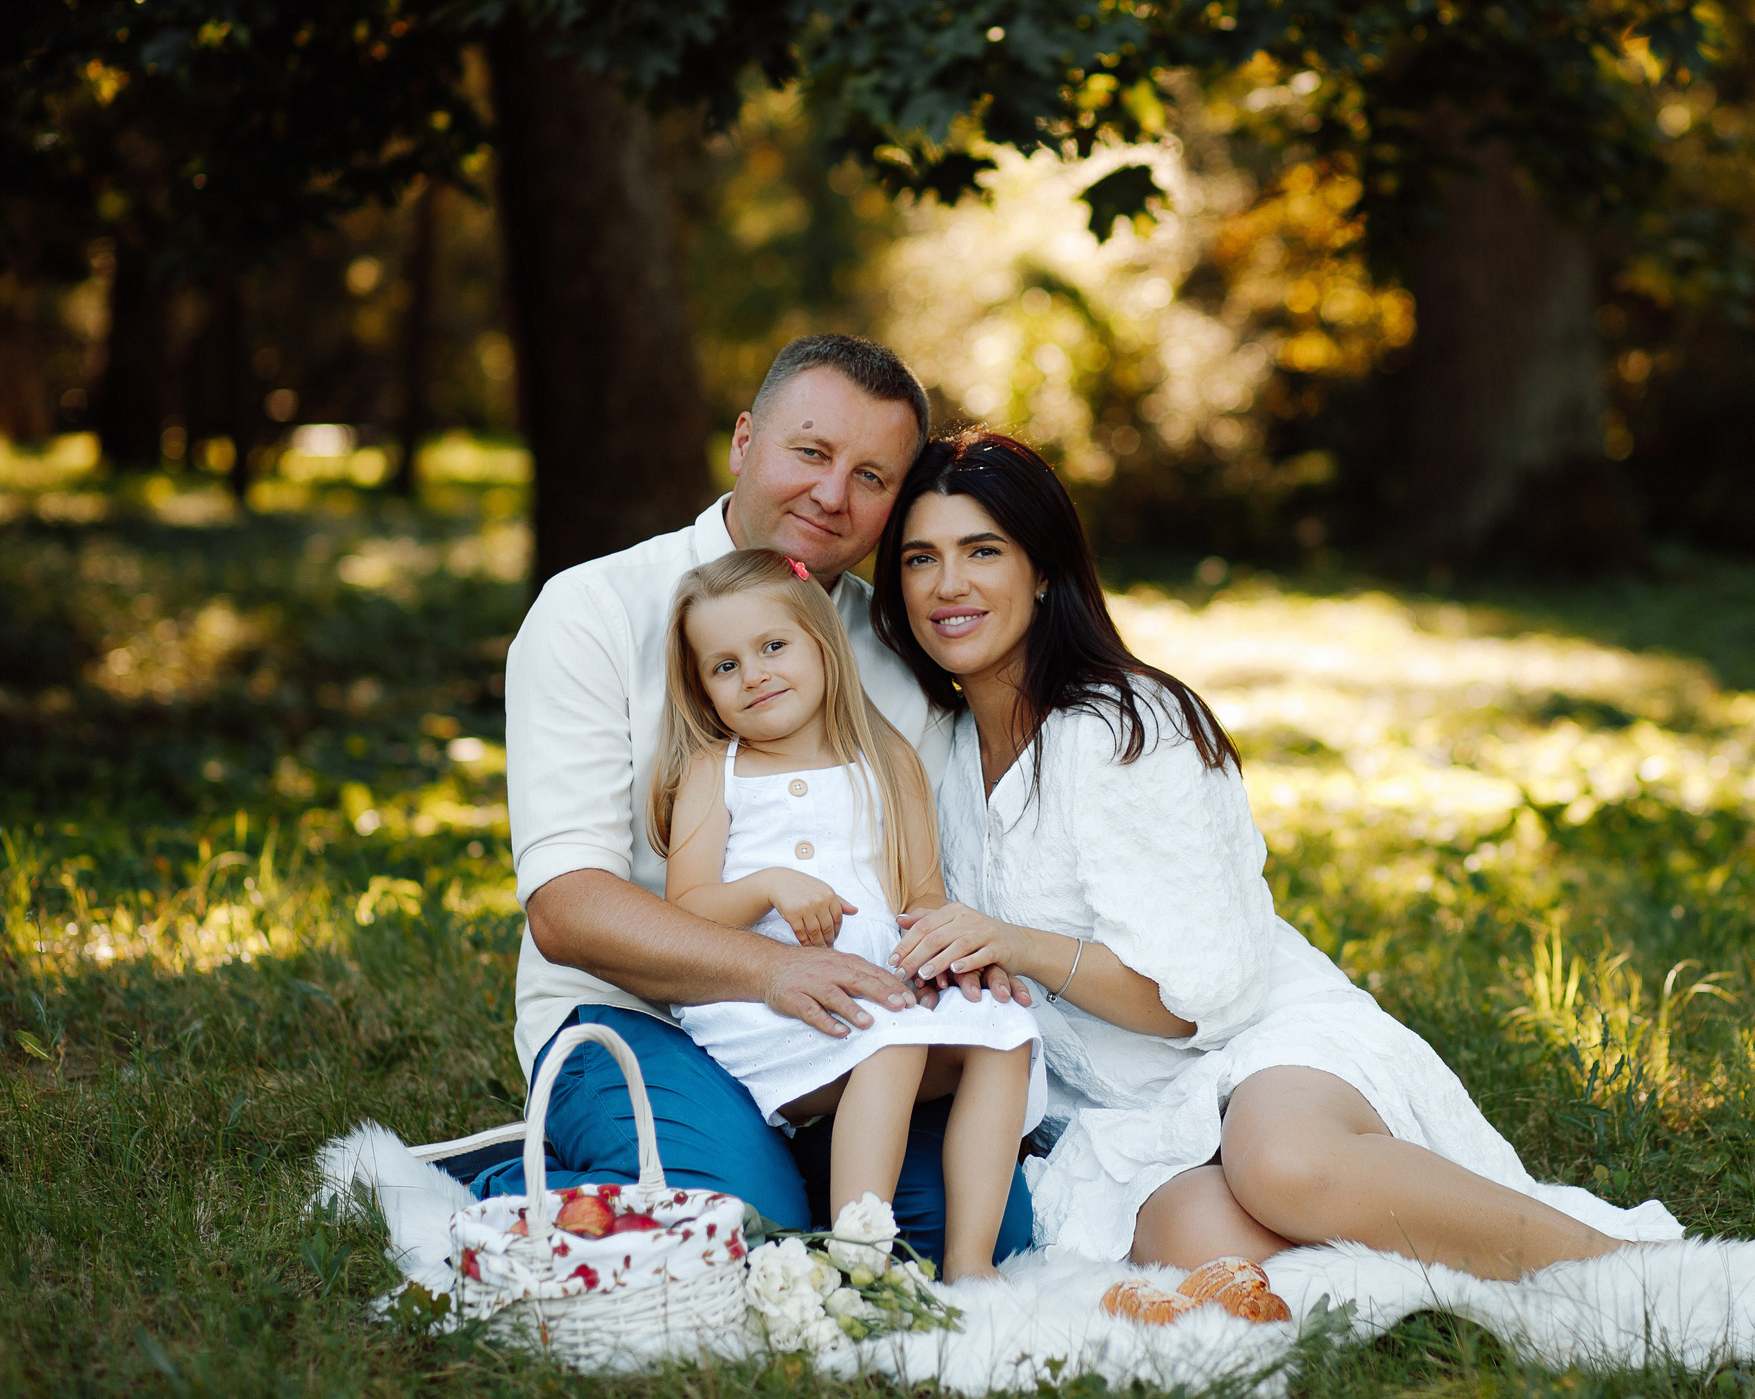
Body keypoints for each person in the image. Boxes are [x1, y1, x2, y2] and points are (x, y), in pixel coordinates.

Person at [874, 428, 1689, 1282]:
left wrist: (1009, 941)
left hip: (1259, 1039)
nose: (949, 584)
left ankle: (1628, 1270)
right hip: (1126, 1107)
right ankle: (1451, 1253)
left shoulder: (1127, 729)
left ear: (1043, 570)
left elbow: (1197, 999)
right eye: (920, 558)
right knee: (1199, 1240)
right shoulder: (937, 758)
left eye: (982, 550)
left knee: (1283, 1164)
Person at [485, 335, 1036, 1268]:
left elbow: (925, 862)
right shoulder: (594, 608)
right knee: (743, 1226)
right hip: (637, 1016)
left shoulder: (898, 658)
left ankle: (775, 1166)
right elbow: (567, 910)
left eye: (871, 475)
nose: (832, 495)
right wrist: (770, 969)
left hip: (853, 1026)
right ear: (745, 441)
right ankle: (512, 1186)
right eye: (810, 453)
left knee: (973, 1232)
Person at [656, 548, 1039, 1278]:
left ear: (823, 644)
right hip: (763, 1001)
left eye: (773, 646)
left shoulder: (886, 759)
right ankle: (856, 1254)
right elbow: (689, 909)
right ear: (703, 690)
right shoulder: (717, 768)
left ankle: (971, 1262)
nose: (755, 672)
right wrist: (770, 883)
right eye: (724, 665)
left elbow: (919, 895)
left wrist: (948, 954)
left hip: (880, 978)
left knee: (1007, 1030)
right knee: (886, 1036)